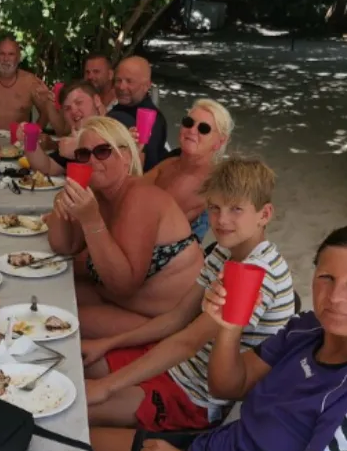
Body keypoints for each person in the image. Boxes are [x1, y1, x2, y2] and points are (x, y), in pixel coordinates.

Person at [6, 221, 347, 451]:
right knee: (49, 450)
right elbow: (227, 385)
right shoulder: (308, 330)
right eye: (326, 278)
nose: (335, 297)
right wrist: (228, 325)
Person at [82, 158, 294, 431]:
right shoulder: (225, 250)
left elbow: (188, 342)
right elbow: (177, 317)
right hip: (177, 365)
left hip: (196, 397)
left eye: (236, 209)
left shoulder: (257, 275)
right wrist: (108, 343)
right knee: (80, 365)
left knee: (80, 408)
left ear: (264, 214)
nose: (222, 220)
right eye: (214, 208)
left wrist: (106, 387)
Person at [46, 116, 202, 339]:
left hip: (164, 321)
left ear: (127, 157)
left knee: (59, 323)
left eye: (102, 151)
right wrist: (60, 204)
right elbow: (64, 246)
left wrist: (91, 221)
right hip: (120, 301)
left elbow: (123, 285)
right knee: (47, 296)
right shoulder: (99, 196)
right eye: (83, 154)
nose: (92, 161)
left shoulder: (140, 198)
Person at [143, 99, 234, 242]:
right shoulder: (170, 163)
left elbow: (151, 226)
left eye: (203, 129)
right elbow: (130, 189)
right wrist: (136, 149)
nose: (192, 130)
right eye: (188, 122)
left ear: (219, 142)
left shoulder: (207, 185)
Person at [24, 81, 106, 177]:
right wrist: (29, 138)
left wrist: (80, 148)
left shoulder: (117, 121)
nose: (73, 111)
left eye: (79, 102)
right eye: (67, 108)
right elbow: (47, 168)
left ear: (96, 100)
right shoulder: (75, 136)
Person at [107, 56, 168, 172]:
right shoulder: (121, 107)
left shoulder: (149, 120)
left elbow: (146, 168)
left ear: (146, 86)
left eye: (129, 81)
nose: (121, 87)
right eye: (118, 80)